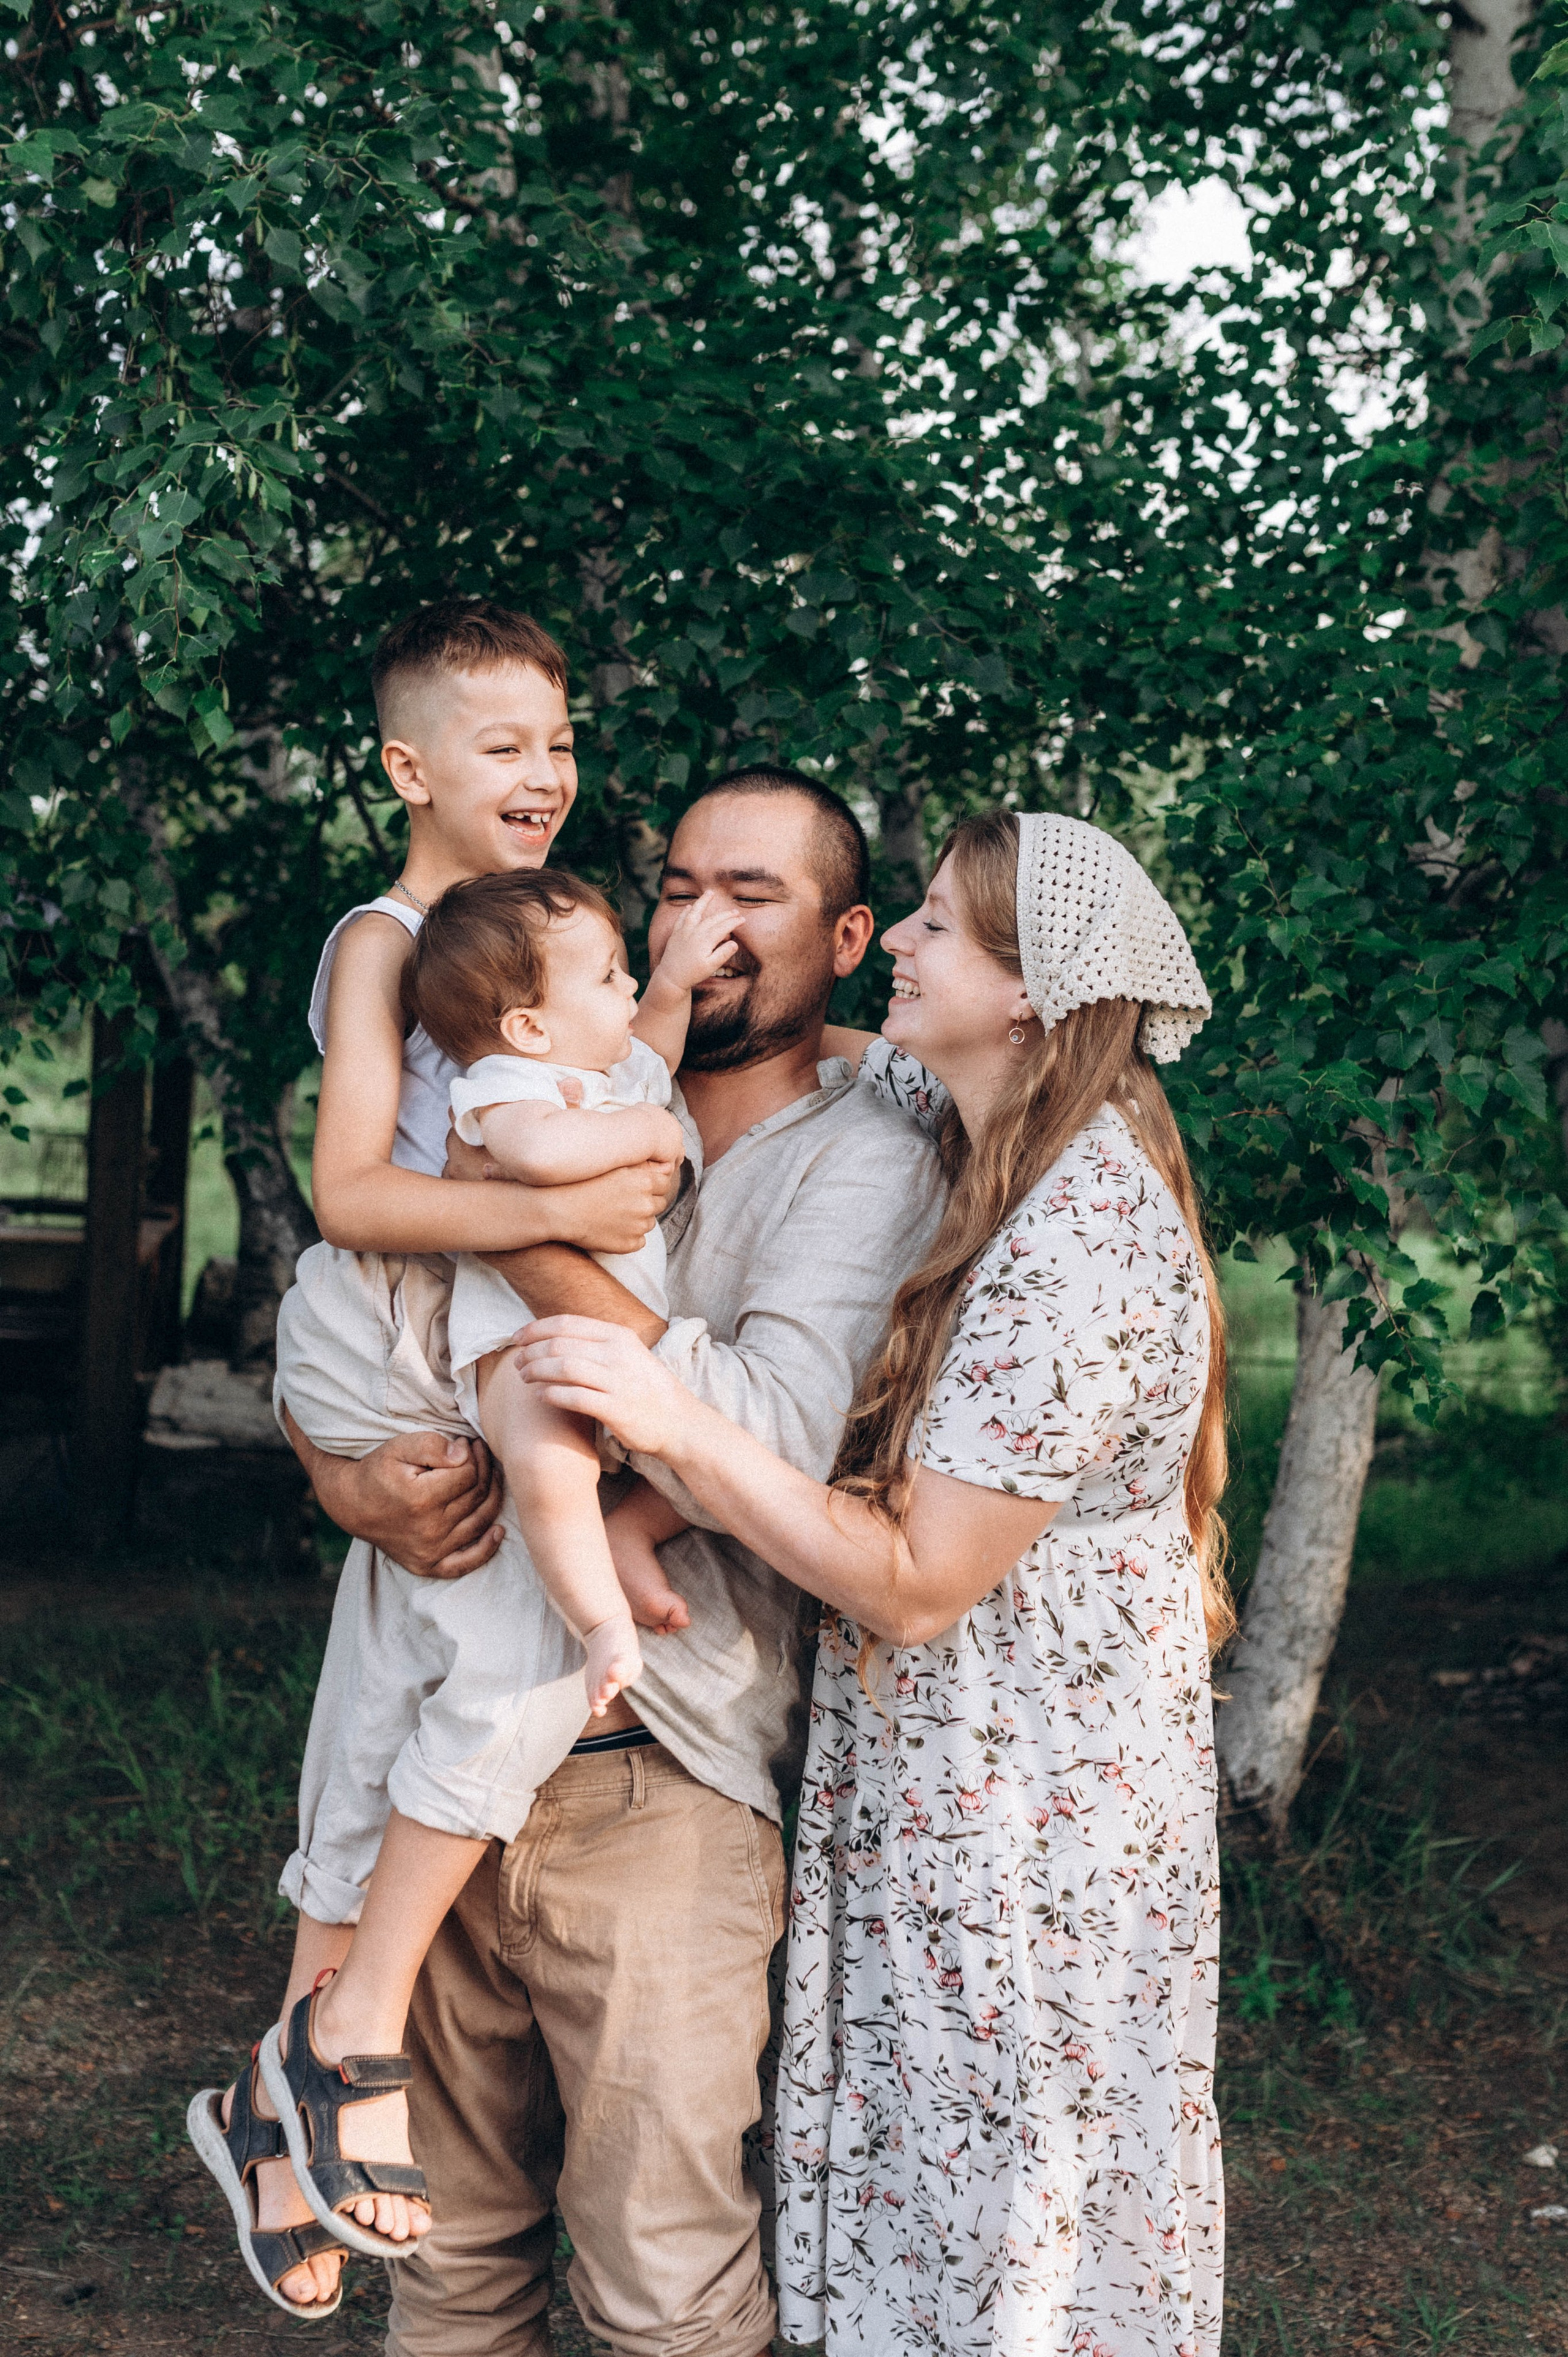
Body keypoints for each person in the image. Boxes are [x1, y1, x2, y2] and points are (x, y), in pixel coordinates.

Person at [515, 809, 1231, 2357]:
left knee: (1009, 2206)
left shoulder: (1081, 1227)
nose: (894, 944)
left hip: (1031, 1801)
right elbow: (806, 1034)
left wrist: (671, 1428)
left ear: (1032, 989)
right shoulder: (968, 1103)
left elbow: (913, 1582)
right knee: (914, 2174)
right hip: (940, 1776)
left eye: (931, 929)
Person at [273, 765, 947, 2356]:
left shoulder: (858, 1151)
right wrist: (345, 1480)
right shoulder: (522, 1080)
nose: (701, 925)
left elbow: (775, 1430)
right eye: (680, 887)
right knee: (445, 2273)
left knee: (664, 2287)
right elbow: (374, 1328)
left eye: (752, 898)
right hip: (433, 1745)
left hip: (660, 1776)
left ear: (848, 936)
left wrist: (514, 1236)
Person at [187, 599, 685, 2320]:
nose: (544, 772)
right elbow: (351, 1196)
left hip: (441, 1348)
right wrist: (567, 1216)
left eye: (556, 742)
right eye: (501, 745)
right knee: (519, 1643)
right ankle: (335, 2047)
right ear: (408, 766)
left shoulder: (528, 939)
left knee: (381, 1711)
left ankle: (274, 2108)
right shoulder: (388, 940)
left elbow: (611, 1073)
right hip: (403, 1330)